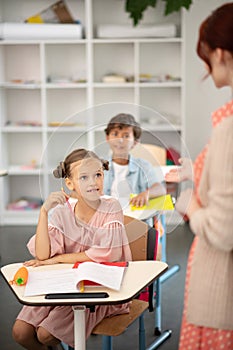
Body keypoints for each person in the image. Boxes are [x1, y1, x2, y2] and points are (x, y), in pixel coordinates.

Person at [12, 148, 132, 350]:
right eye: (84, 177)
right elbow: (42, 254)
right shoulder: (61, 212)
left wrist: (58, 259)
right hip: (62, 284)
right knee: (20, 333)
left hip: (99, 290)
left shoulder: (111, 206)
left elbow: (107, 254)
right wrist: (44, 212)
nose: (93, 182)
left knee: (45, 334)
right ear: (69, 183)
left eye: (98, 175)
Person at [166, 3, 233, 349]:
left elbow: (222, 230)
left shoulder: (228, 130)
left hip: (222, 298)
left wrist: (189, 203)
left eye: (205, 55)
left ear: (220, 53)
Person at [103, 113, 166, 226]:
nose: (120, 140)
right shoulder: (98, 167)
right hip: (107, 222)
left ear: (135, 142)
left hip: (137, 222)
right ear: (107, 138)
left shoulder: (144, 166)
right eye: (115, 134)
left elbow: (161, 189)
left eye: (126, 136)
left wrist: (146, 194)